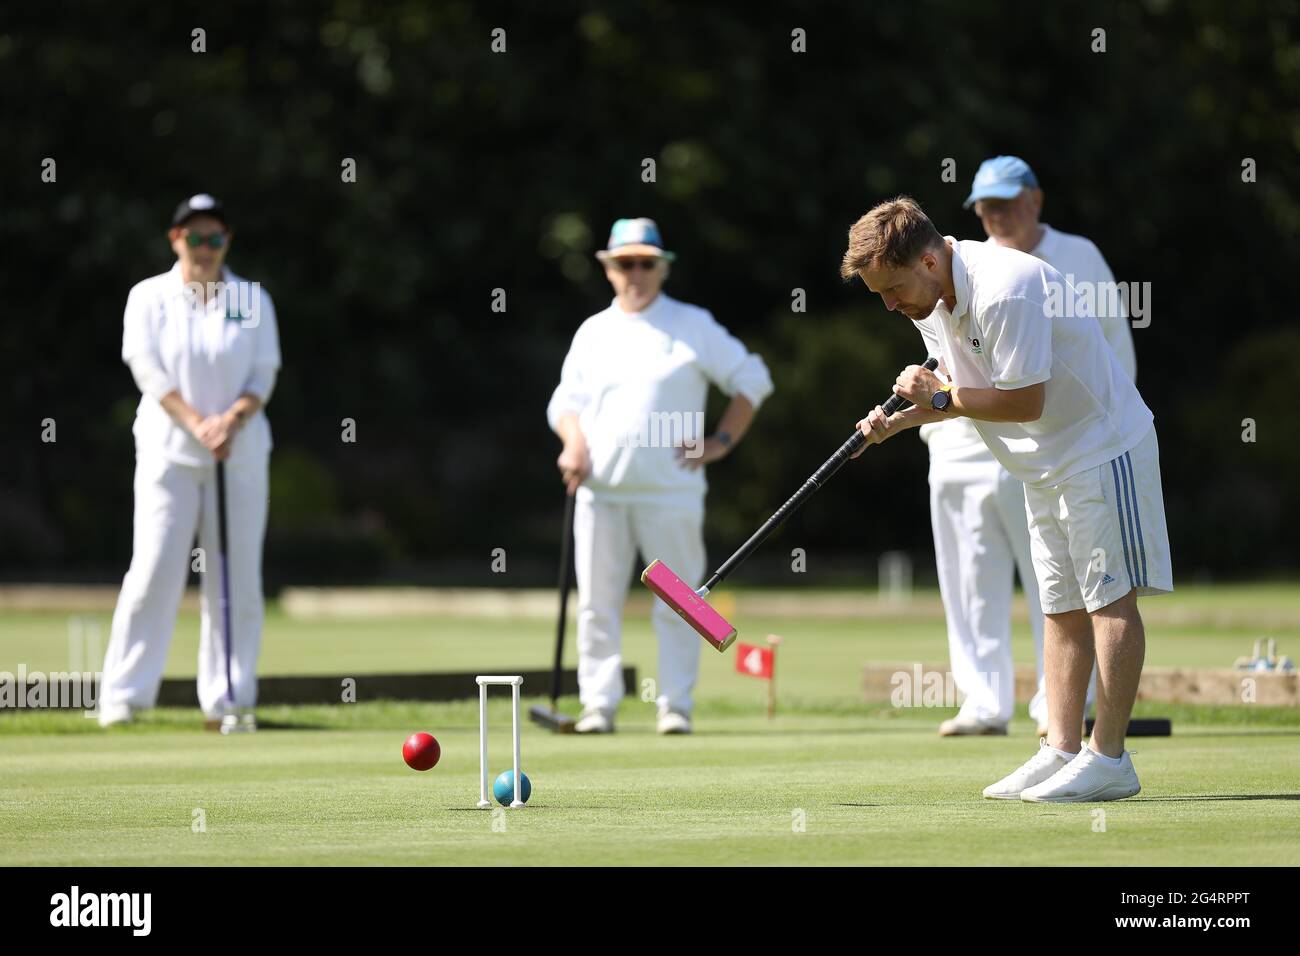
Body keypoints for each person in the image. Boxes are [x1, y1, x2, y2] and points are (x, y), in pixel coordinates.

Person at [842, 196, 1171, 802]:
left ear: (928, 259)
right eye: (879, 294)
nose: (890, 305)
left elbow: (1022, 401)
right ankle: (1060, 750)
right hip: (1044, 462)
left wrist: (935, 399)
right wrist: (901, 420)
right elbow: (962, 381)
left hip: (1100, 447)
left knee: (1109, 600)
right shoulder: (934, 297)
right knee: (1060, 606)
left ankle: (1111, 758)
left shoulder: (1006, 286)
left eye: (892, 288)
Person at [921, 156, 1138, 736]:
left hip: (1052, 443)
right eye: (987, 206)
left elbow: (1109, 348)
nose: (999, 214)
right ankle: (983, 702)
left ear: (1035, 201)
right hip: (961, 446)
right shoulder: (951, 269)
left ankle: (1058, 708)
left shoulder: (1076, 256)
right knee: (969, 578)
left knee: (1059, 584)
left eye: (1010, 203)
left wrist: (1100, 435)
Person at [547, 218, 773, 734]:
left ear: (662, 268)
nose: (636, 272)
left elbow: (753, 379)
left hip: (672, 494)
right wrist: (572, 444)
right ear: (609, 269)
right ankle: (597, 706)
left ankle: (675, 706)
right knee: (597, 606)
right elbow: (566, 404)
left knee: (679, 605)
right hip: (600, 493)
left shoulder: (692, 325)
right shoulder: (593, 332)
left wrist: (719, 442)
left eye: (647, 262)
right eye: (626, 263)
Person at [97, 194, 281, 732]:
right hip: (168, 453)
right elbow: (147, 369)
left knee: (236, 580)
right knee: (154, 570)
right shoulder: (149, 296)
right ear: (175, 239)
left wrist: (231, 422)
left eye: (215, 238)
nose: (205, 248)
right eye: (194, 237)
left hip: (239, 454)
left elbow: (263, 374)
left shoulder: (251, 299)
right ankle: (123, 697)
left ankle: (228, 699)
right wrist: (197, 422)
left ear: (227, 242)